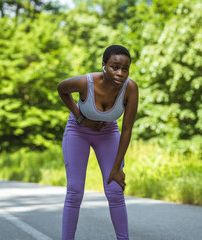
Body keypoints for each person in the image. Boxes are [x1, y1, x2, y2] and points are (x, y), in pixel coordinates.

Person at [57, 45, 139, 240]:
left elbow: (127, 128)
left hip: (108, 132)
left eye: (125, 68)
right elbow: (61, 89)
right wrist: (79, 117)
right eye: (115, 67)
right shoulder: (87, 83)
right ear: (104, 66)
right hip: (78, 131)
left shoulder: (131, 88)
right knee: (75, 190)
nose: (120, 73)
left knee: (115, 190)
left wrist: (118, 166)